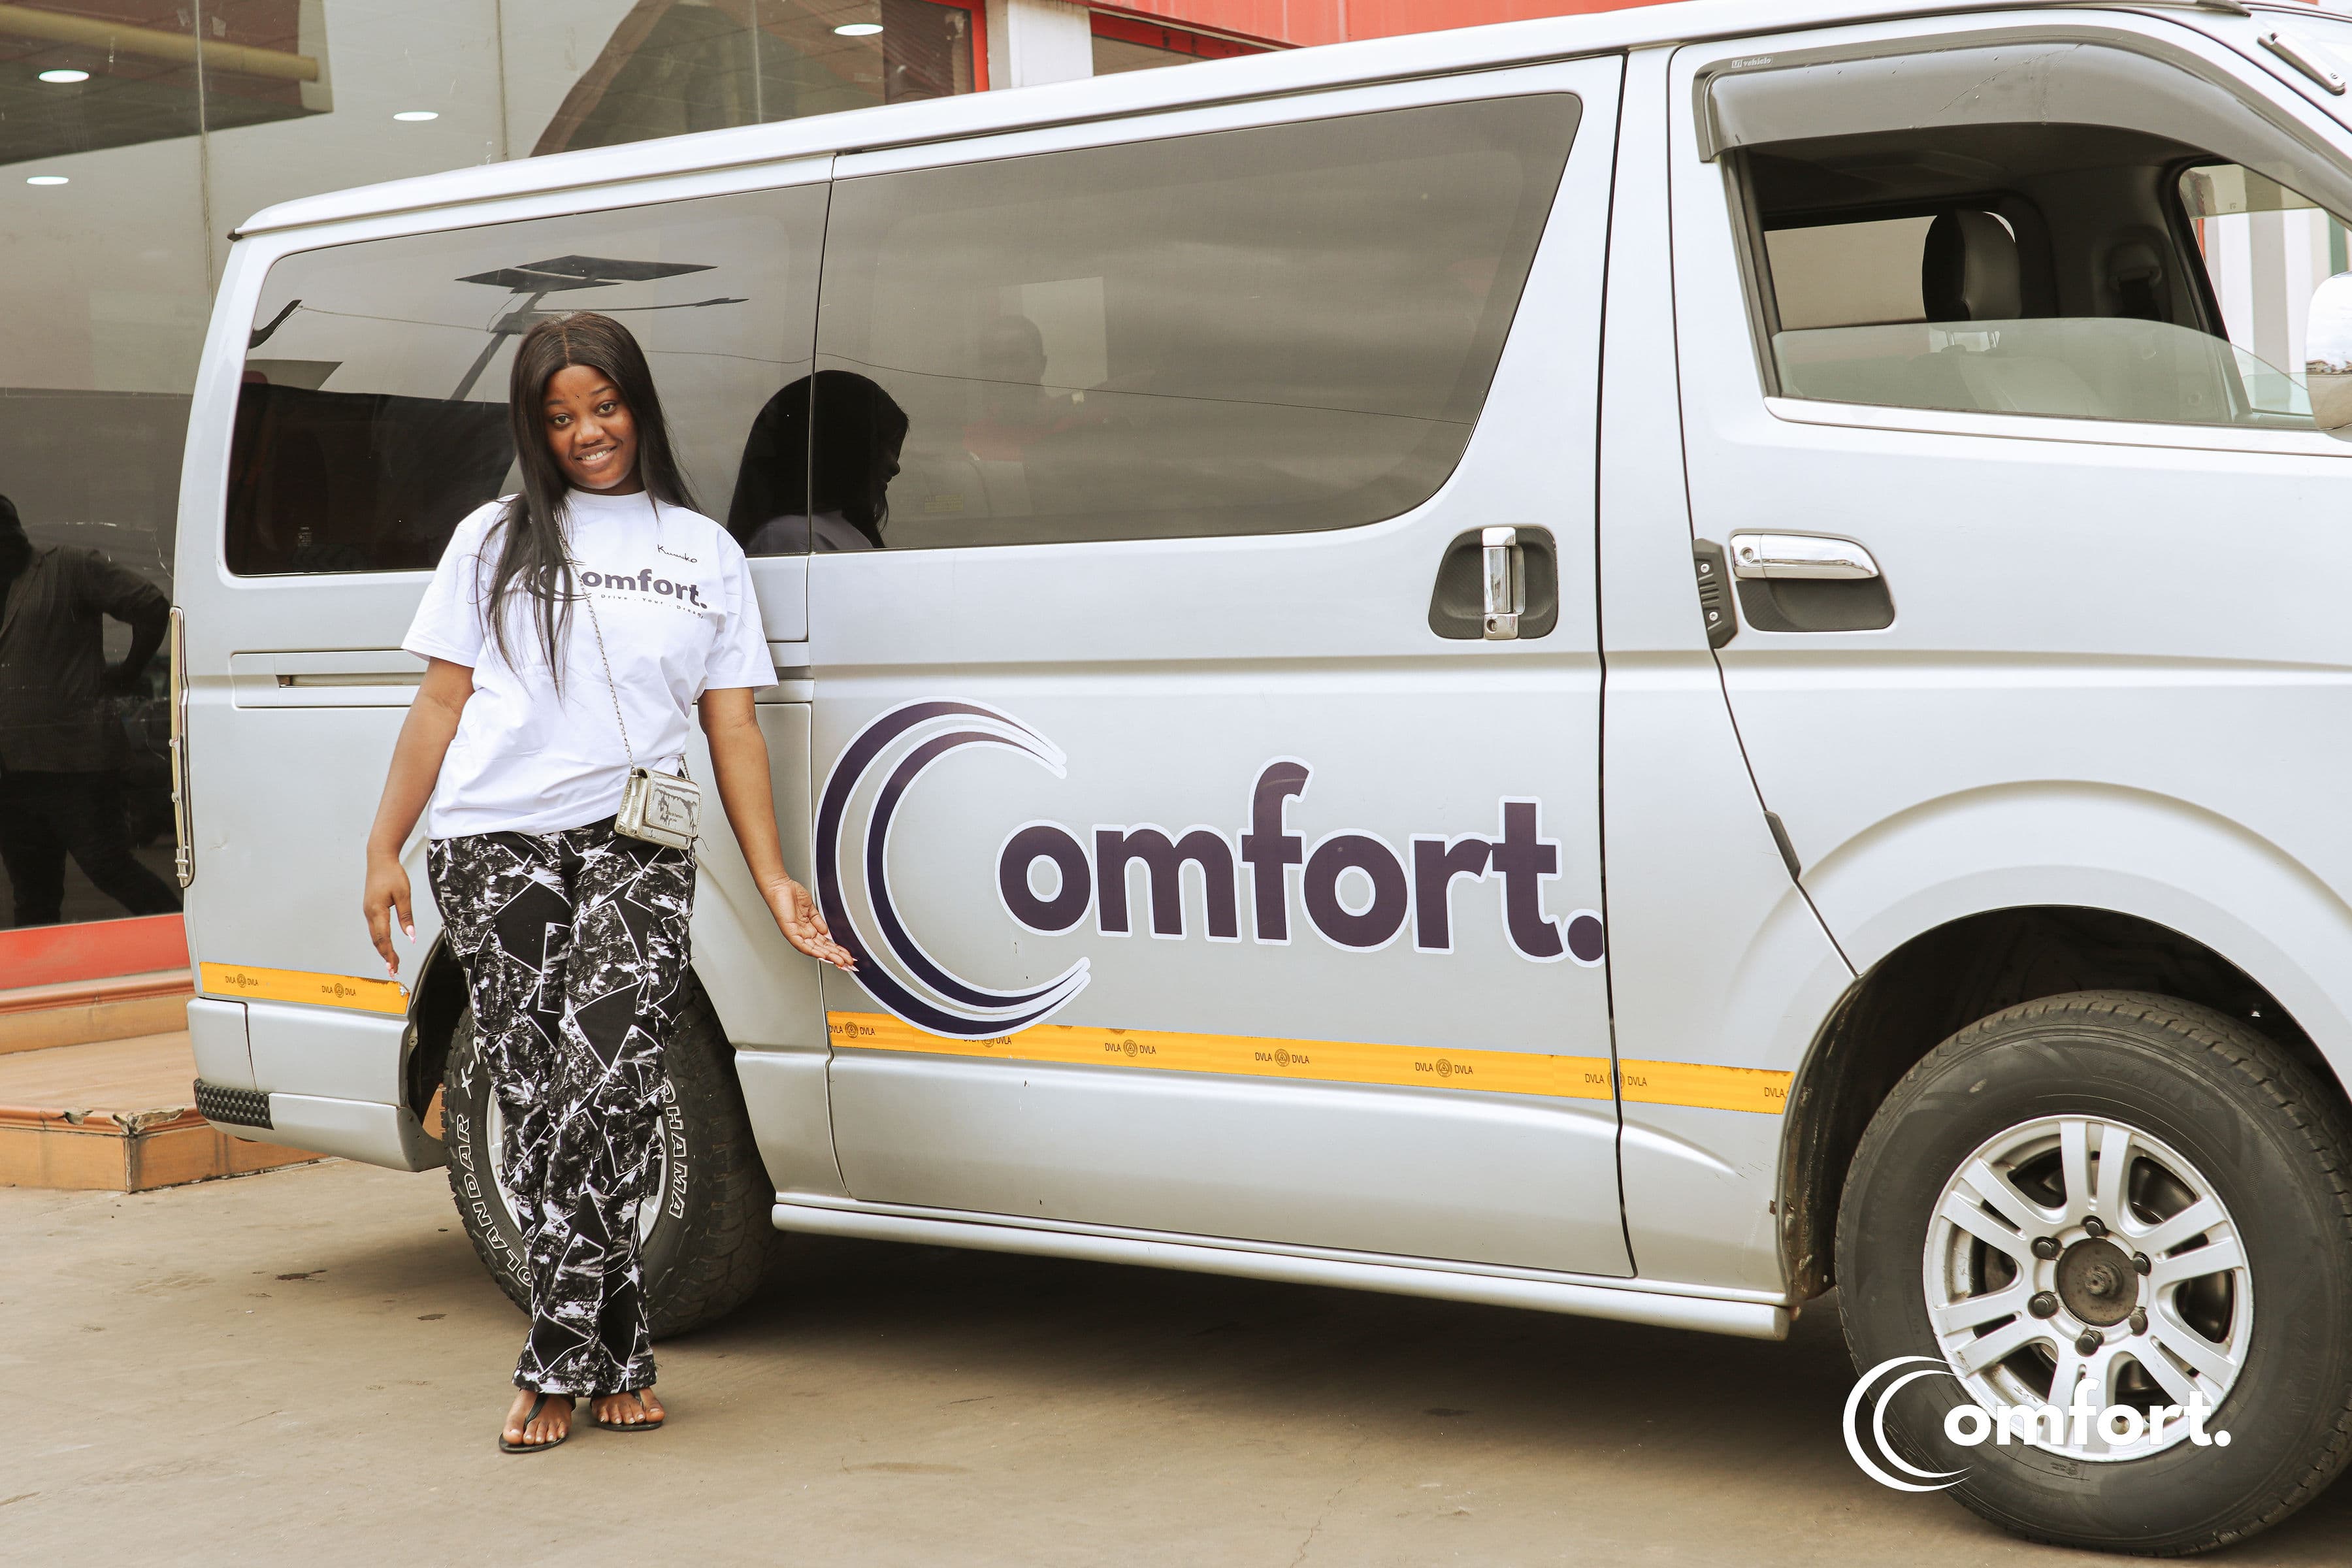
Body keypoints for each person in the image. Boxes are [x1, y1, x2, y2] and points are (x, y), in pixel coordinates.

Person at [359, 312, 856, 1455]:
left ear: (639, 404)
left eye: (606, 406)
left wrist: (775, 877)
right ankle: (612, 1350)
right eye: (562, 415)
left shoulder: (704, 552)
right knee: (536, 1096)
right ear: (538, 430)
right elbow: (439, 705)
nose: (589, 432)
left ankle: (551, 1361)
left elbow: (732, 730)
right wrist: (385, 847)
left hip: (640, 843)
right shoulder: (492, 543)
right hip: (497, 843)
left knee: (616, 1081)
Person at [0, 493, 182, 927]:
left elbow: (151, 605)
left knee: (108, 867)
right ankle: (46, 986)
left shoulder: (68, 566)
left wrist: (130, 671)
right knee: (33, 893)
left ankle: (181, 944)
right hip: (11, 773)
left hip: (75, 765)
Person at [727, 369, 909, 552]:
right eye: (884, 446)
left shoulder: (832, 533)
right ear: (842, 447)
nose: (895, 466)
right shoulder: (794, 536)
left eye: (895, 451)